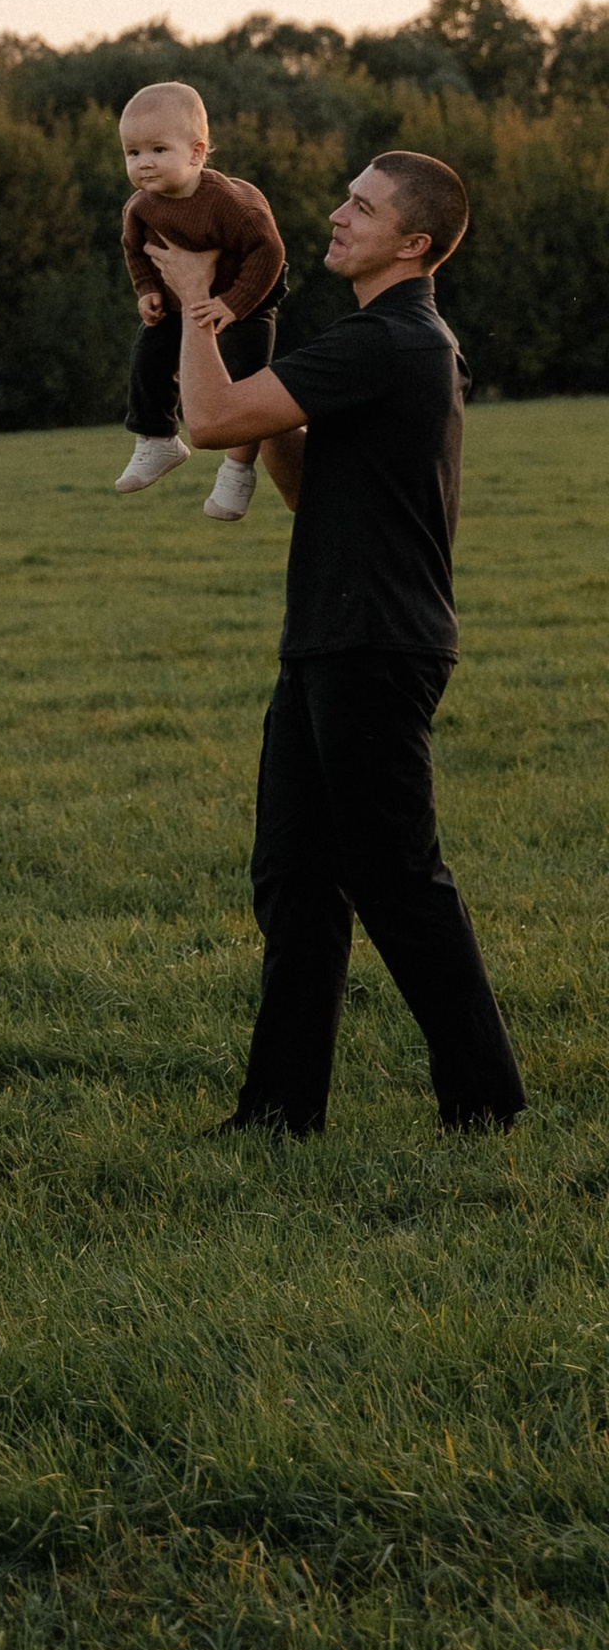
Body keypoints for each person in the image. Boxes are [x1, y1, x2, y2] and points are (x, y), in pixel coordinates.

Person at [157, 152, 524, 1138]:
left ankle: (486, 1103)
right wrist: (275, 416)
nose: (335, 215)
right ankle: (278, 1112)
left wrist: (195, 301)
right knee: (294, 877)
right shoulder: (383, 341)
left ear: (414, 242)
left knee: (394, 874)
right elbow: (298, 482)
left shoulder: (393, 339)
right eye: (344, 200)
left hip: (373, 640)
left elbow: (202, 415)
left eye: (361, 208)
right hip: (333, 636)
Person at [111, 80, 287, 521]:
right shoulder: (140, 207)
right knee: (147, 356)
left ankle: (237, 470)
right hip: (179, 299)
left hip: (246, 293)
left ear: (196, 152)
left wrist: (234, 304)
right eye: (133, 153)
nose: (144, 164)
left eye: (157, 150)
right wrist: (148, 289)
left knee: (245, 382)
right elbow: (134, 250)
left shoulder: (231, 204)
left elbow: (269, 253)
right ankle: (158, 440)